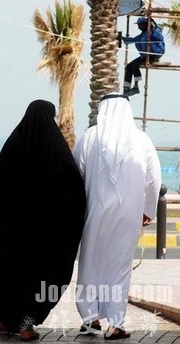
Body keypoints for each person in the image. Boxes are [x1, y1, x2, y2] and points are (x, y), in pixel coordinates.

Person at [0, 99, 86, 341]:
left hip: (12, 233)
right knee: (38, 277)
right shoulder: (58, 150)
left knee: (8, 272)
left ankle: (6, 319)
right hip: (44, 237)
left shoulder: (14, 142)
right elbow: (74, 192)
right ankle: (25, 326)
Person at [73, 93, 161, 340]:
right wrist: (148, 210)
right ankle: (116, 324)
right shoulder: (141, 139)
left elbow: (75, 174)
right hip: (128, 215)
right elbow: (154, 181)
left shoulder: (90, 137)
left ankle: (90, 319)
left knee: (90, 262)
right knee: (119, 267)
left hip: (94, 212)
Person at [122, 17, 165, 96]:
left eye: (140, 25)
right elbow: (132, 40)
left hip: (154, 54)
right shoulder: (143, 35)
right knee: (129, 66)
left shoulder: (155, 31)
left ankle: (136, 86)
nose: (138, 27)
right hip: (146, 55)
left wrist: (153, 27)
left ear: (146, 25)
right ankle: (126, 88)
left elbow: (159, 37)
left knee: (135, 65)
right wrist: (122, 38)